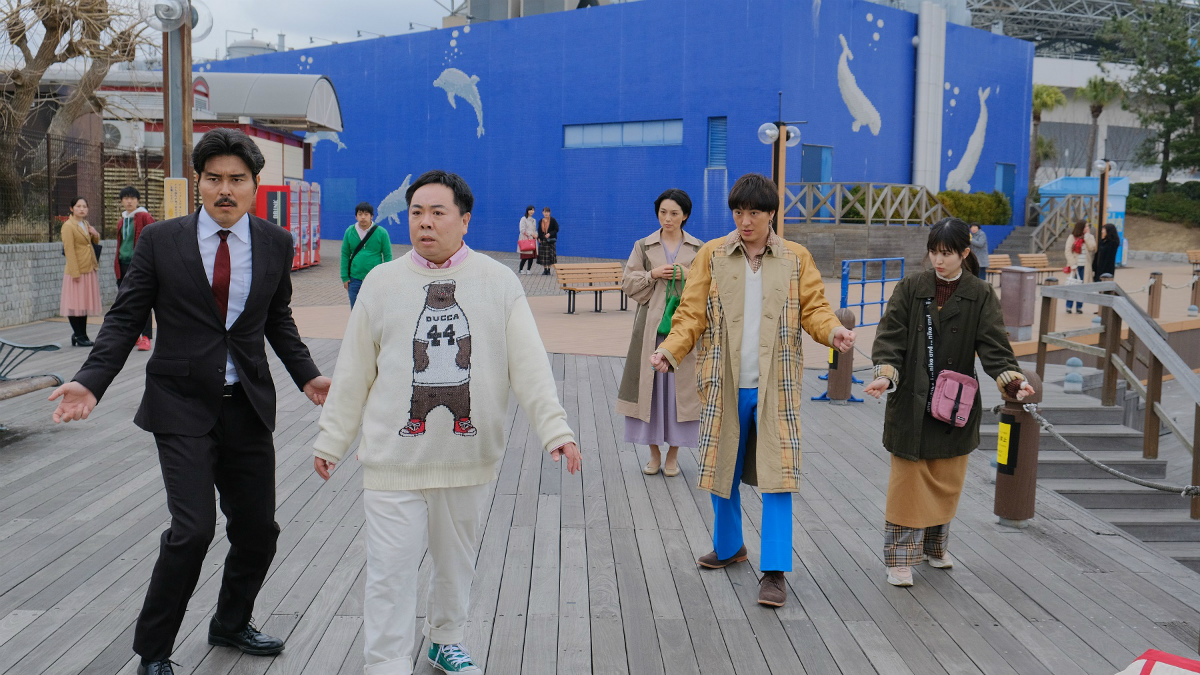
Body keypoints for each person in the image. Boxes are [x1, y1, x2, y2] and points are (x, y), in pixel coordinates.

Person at [49, 128, 332, 675]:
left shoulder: (275, 243)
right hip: (179, 404)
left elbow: (276, 318)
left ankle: (230, 622)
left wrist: (308, 375)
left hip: (246, 405)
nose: (225, 189)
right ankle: (153, 651)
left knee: (258, 530)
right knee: (193, 529)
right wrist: (91, 380)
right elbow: (127, 317)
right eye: (214, 178)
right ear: (198, 182)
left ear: (254, 185)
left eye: (237, 179)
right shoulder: (162, 241)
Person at [313, 170, 582, 675]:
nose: (425, 222)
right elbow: (353, 371)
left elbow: (529, 365)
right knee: (390, 571)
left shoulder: (498, 282)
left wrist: (556, 430)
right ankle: (387, 661)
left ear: (465, 220)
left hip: (466, 459)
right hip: (393, 459)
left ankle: (445, 640)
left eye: (438, 212)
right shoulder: (382, 282)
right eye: (417, 212)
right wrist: (332, 439)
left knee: (455, 564)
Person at [650, 173, 856, 607]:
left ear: (771, 214)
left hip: (775, 386)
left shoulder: (796, 257)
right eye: (738, 212)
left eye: (754, 213)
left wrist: (832, 330)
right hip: (722, 382)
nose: (745, 221)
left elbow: (815, 308)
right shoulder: (712, 254)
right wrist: (670, 350)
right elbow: (690, 313)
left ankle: (775, 570)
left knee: (777, 476)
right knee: (720, 466)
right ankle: (729, 547)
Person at [865, 217, 1035, 587]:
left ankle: (934, 547)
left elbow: (994, 346)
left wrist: (1012, 380)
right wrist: (886, 375)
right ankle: (899, 560)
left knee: (945, 479)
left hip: (954, 403)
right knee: (907, 485)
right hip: (911, 402)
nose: (938, 261)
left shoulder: (980, 293)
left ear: (964, 253)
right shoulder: (911, 287)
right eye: (934, 252)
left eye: (947, 253)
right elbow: (890, 336)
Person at [618, 188, 703, 477]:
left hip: (684, 330)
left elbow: (711, 286)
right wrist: (652, 274)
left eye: (674, 213)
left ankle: (673, 456)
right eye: (663, 212)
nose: (668, 218)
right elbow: (628, 283)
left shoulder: (699, 248)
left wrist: (688, 275)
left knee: (681, 394)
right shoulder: (643, 246)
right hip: (650, 330)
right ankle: (654, 454)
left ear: (685, 215)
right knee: (650, 393)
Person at [115, 186, 157, 351]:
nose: (129, 201)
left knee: (144, 301)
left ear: (138, 200)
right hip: (123, 264)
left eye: (132, 198)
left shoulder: (144, 216)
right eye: (126, 198)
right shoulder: (122, 220)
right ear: (121, 201)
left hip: (139, 265)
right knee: (127, 302)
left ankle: (146, 337)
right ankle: (135, 336)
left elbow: (154, 236)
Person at [60, 196, 102, 347]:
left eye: (84, 206)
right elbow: (69, 250)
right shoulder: (68, 226)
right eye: (78, 206)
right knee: (74, 304)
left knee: (82, 304)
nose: (82, 209)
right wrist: (75, 273)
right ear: (71, 209)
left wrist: (95, 234)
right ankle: (79, 335)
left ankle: (82, 335)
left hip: (88, 268)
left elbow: (92, 243)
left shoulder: (85, 224)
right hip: (76, 271)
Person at [341, 201, 393, 308]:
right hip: (354, 279)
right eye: (360, 214)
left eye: (366, 214)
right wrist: (345, 277)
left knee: (374, 309)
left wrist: (386, 277)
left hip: (375, 278)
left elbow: (388, 256)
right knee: (356, 310)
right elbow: (345, 255)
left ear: (371, 216)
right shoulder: (349, 232)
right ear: (356, 216)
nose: (363, 217)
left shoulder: (381, 232)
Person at [1063, 219, 1096, 314]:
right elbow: (1068, 251)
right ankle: (1069, 306)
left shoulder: (1090, 237)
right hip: (1075, 266)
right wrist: (1073, 264)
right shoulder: (1072, 237)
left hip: (1085, 266)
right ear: (1081, 227)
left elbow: (1092, 247)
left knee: (1082, 287)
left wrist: (1087, 236)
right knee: (1072, 286)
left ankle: (1079, 307)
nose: (1088, 228)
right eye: (1086, 226)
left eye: (1088, 226)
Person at [536, 206, 559, 275]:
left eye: (547, 212)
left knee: (550, 256)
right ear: (542, 213)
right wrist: (539, 238)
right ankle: (545, 269)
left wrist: (550, 234)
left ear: (550, 213)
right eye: (544, 212)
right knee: (543, 256)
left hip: (550, 241)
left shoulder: (553, 220)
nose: (546, 213)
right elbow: (539, 230)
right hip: (543, 240)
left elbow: (556, 229)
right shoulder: (541, 221)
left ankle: (549, 269)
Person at [517, 205, 538, 274]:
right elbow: (522, 230)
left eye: (533, 210)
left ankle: (528, 269)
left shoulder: (533, 220)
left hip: (532, 240)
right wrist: (531, 234)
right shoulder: (523, 219)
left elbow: (535, 229)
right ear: (527, 211)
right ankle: (520, 269)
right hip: (525, 239)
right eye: (530, 210)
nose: (532, 211)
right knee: (525, 256)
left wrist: (536, 235)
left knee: (531, 256)